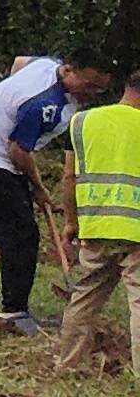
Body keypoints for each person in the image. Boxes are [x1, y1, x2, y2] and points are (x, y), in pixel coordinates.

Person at [0, 48, 113, 337]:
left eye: (99, 89)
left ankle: (17, 306)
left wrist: (6, 102)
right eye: (88, 86)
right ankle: (13, 312)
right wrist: (38, 188)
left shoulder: (46, 66)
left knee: (20, 229)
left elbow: (18, 62)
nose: (92, 94)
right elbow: (18, 151)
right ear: (69, 70)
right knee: (20, 233)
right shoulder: (42, 104)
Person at [54, 77, 140, 376]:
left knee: (85, 297)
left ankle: (69, 366)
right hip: (136, 232)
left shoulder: (81, 122)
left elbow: (69, 177)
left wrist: (71, 223)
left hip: (95, 226)